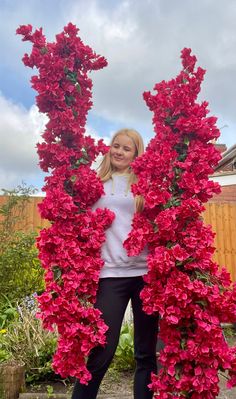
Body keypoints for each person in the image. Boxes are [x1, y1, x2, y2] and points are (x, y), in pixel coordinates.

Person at [72, 128, 158, 399]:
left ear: (136, 154)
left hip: (146, 274)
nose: (119, 151)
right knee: (102, 351)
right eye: (115, 146)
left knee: (145, 353)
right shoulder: (96, 183)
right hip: (111, 274)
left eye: (126, 148)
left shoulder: (145, 185)